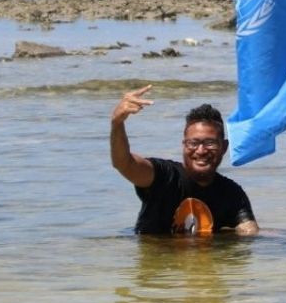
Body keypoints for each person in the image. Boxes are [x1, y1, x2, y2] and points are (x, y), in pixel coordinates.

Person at [110, 86, 259, 236]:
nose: (201, 151)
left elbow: (250, 232)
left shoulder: (232, 194)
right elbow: (124, 163)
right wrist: (117, 123)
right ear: (184, 145)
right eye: (193, 143)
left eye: (210, 143)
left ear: (224, 147)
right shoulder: (163, 177)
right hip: (157, 256)